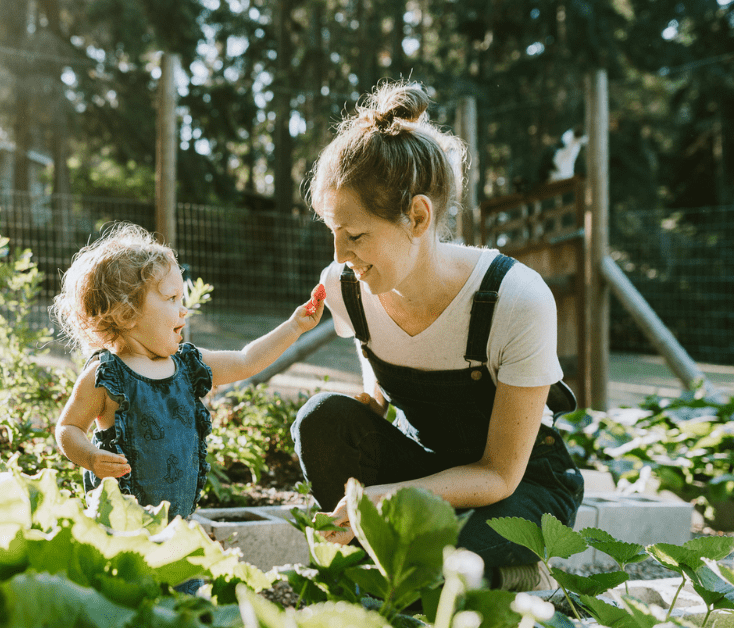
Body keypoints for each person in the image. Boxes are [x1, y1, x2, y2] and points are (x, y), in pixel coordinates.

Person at [292, 81, 584, 592]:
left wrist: (395, 498)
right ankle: (406, 566)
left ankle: (512, 571)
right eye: (332, 232)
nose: (339, 255)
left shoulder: (515, 298)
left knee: (445, 543)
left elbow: (498, 474)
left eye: (355, 235)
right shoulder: (348, 288)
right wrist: (370, 408)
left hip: (518, 489)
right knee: (321, 420)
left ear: (418, 216)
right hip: (431, 468)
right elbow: (380, 373)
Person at [53, 222, 324, 524]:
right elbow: (68, 428)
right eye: (171, 299)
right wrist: (90, 457)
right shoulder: (106, 376)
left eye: (182, 299)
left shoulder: (187, 365)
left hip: (176, 524)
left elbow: (246, 361)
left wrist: (295, 326)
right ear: (126, 313)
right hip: (120, 526)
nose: (183, 310)